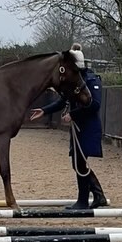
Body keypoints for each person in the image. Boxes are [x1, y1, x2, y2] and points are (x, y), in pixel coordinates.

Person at [30, 44, 109, 209]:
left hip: (87, 127)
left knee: (79, 163)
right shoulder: (73, 81)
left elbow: (94, 105)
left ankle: (83, 201)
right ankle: (98, 195)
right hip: (78, 128)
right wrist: (44, 111)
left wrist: (73, 115)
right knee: (78, 163)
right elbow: (62, 101)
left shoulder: (91, 80)